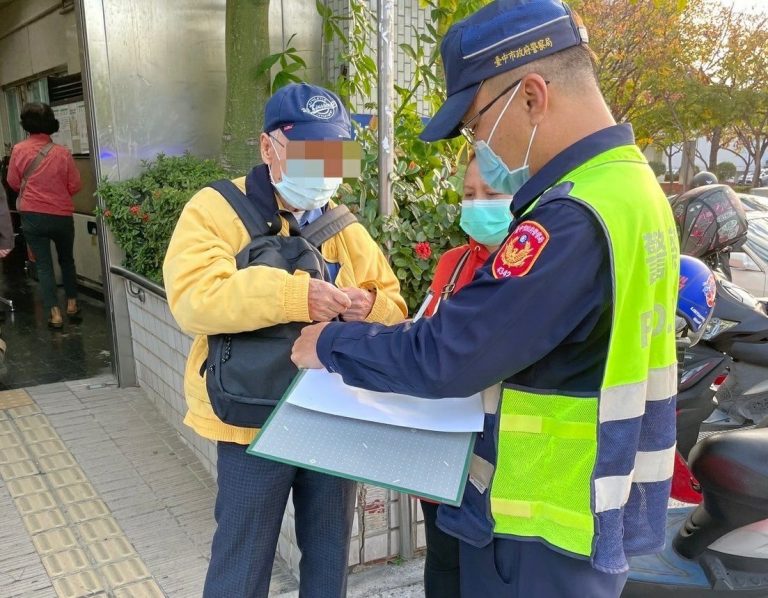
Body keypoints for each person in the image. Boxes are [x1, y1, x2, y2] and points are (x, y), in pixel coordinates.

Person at [291, 2, 679, 597]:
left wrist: (333, 343)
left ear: (531, 96)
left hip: (540, 527)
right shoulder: (631, 187)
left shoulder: (572, 217)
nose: (478, 145)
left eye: (475, 125)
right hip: (587, 508)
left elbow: (452, 353)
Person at [162, 82, 407, 598]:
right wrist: (297, 298)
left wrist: (370, 307)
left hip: (330, 414)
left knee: (328, 555)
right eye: (310, 152)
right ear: (268, 147)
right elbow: (194, 299)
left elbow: (393, 303)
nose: (325, 167)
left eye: (336, 152)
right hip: (251, 420)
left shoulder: (345, 225)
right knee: (242, 559)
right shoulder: (215, 208)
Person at [419, 154, 512, 598]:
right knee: (442, 559)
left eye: (492, 195)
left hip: (504, 452)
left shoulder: (537, 263)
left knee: (490, 566)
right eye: (468, 195)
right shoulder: (453, 263)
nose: (478, 206)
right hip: (446, 446)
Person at [7, 102, 81, 328]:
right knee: (67, 260)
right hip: (61, 215)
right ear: (51, 124)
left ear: (26, 124)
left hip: (33, 216)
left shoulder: (19, 150)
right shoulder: (63, 153)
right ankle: (72, 304)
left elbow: (12, 182)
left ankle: (55, 314)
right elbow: (76, 185)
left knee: (44, 266)